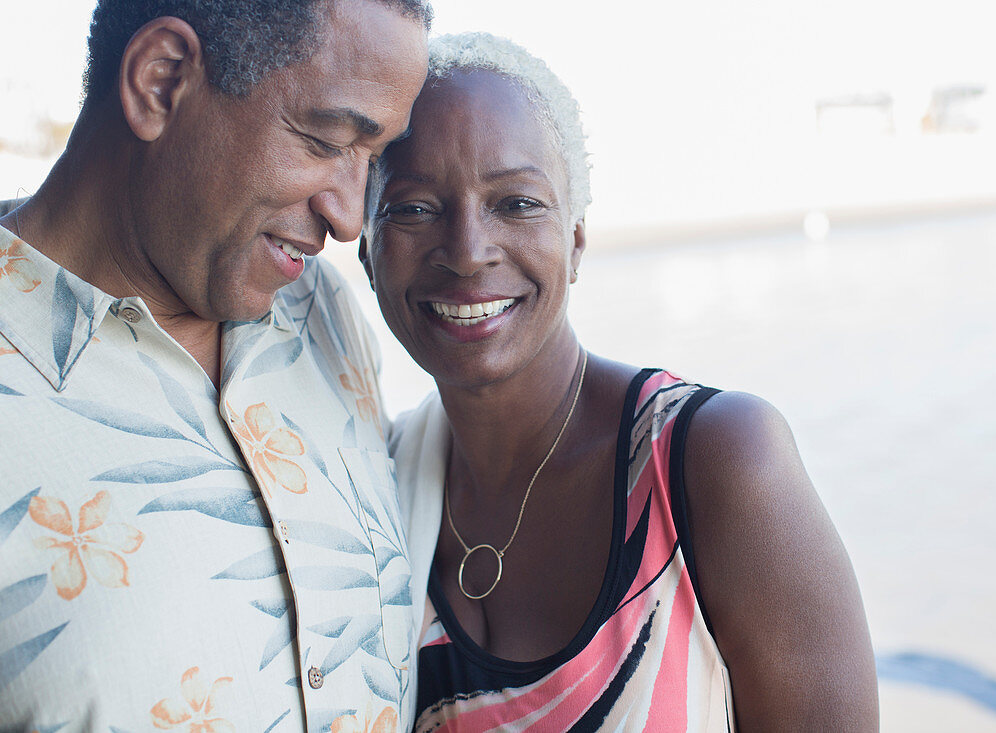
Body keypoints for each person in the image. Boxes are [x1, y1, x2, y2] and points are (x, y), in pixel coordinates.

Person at [363, 32, 879, 731]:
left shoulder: (711, 461)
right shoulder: (373, 492)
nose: (468, 250)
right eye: (415, 208)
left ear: (575, 239)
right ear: (367, 249)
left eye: (515, 202)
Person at [0, 1, 429, 730]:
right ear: (161, 81)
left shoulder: (323, 315)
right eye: (325, 139)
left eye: (376, 156)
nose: (351, 217)